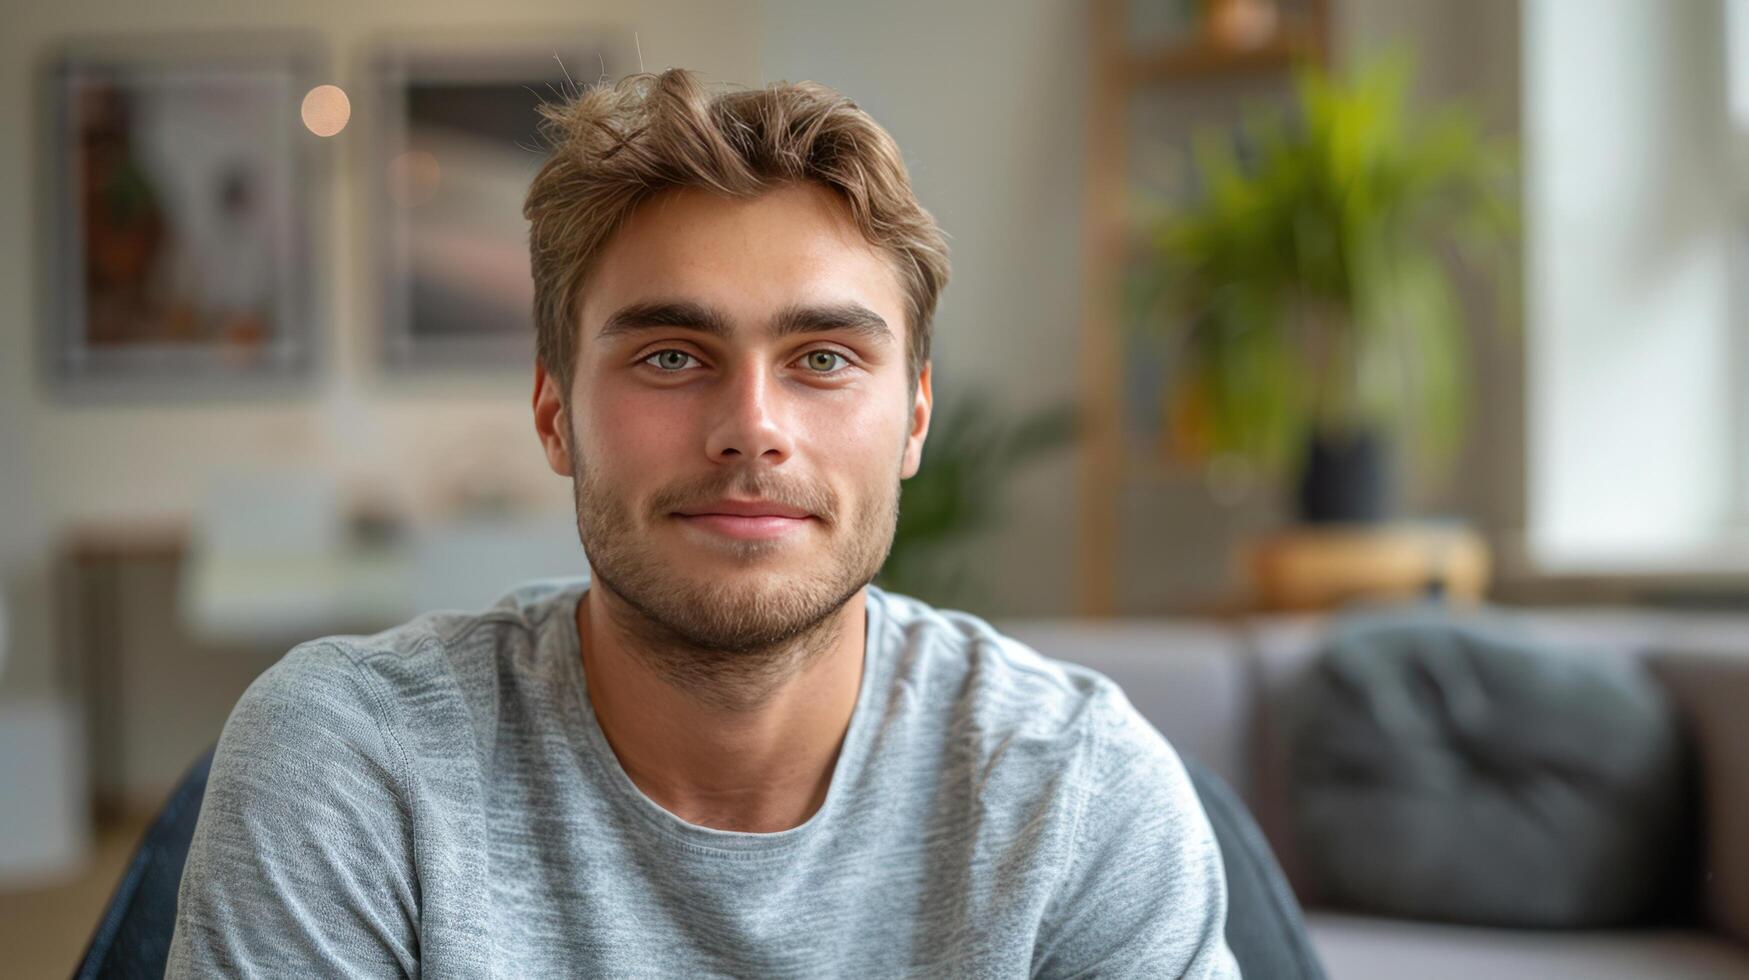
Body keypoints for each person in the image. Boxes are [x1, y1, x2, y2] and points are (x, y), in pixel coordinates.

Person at [166, 68, 1239, 978]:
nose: (752, 429)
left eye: (824, 358)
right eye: (671, 355)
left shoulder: (1076, 794)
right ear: (555, 413)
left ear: (914, 416)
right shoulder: (355, 766)